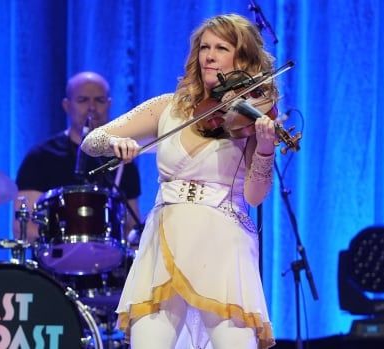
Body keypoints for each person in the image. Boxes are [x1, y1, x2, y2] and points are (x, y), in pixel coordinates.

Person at [81, 14, 278, 349]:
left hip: (223, 243)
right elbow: (92, 140)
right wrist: (116, 145)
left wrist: (265, 150)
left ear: (241, 58)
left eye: (221, 48)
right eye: (204, 47)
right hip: (165, 238)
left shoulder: (251, 114)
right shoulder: (167, 108)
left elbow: (255, 196)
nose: (209, 56)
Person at [14, 71, 142, 244]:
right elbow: (22, 228)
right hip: (55, 264)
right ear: (67, 105)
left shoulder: (122, 158)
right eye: (83, 100)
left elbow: (130, 227)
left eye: (99, 100)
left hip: (109, 265)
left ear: (109, 104)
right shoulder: (40, 157)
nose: (92, 108)